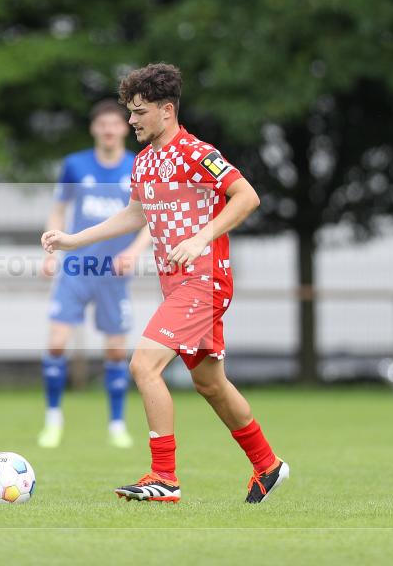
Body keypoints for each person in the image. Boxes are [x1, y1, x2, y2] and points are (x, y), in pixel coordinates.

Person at [41, 63, 289, 503]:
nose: (130, 121)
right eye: (129, 112)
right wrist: (73, 240)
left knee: (143, 365)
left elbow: (247, 196)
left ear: (166, 110)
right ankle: (268, 465)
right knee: (211, 384)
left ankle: (164, 477)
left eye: (138, 112)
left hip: (204, 281)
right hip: (178, 286)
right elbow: (135, 214)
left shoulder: (197, 152)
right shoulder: (145, 160)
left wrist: (201, 237)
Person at [38, 101, 152, 450]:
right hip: (75, 270)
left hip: (113, 276)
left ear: (123, 128)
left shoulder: (137, 165)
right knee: (57, 341)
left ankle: (117, 424)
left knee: (116, 350)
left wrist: (133, 251)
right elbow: (58, 210)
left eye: (114, 124)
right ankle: (53, 420)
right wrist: (51, 249)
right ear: (94, 129)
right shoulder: (75, 165)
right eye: (101, 124)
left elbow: (150, 218)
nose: (108, 130)